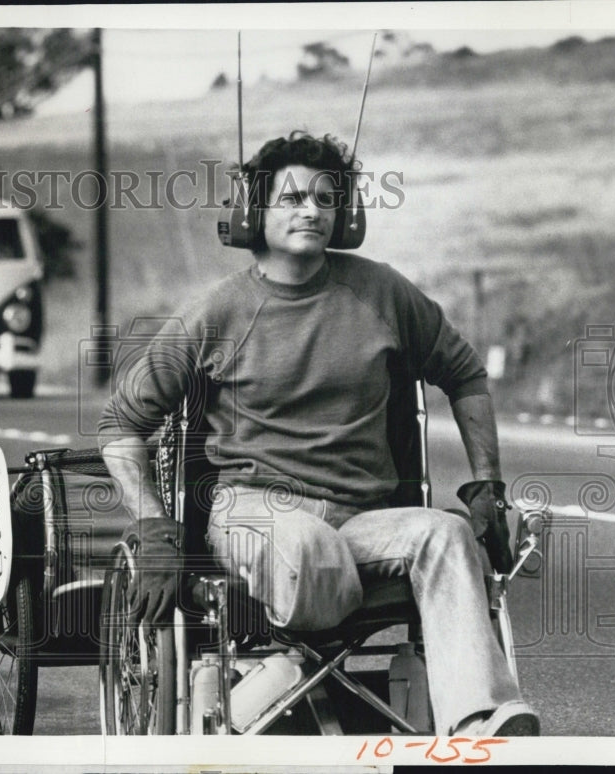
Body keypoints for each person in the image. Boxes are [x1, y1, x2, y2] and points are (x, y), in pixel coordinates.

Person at [97, 131, 539, 737]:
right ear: (255, 212)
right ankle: (286, 681)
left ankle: (479, 720)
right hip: (254, 514)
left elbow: (464, 375)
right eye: (294, 197)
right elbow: (121, 424)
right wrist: (151, 524)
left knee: (444, 533)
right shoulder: (215, 313)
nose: (312, 210)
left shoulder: (383, 293)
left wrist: (487, 483)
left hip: (363, 518)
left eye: (326, 199)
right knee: (309, 547)